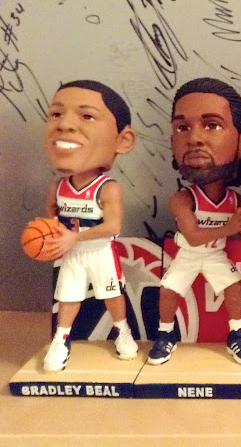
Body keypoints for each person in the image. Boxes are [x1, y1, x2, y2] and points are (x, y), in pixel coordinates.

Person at [147, 77, 241, 366]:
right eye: (182, 128)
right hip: (189, 254)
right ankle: (165, 335)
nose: (194, 139)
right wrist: (231, 228)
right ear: (172, 143)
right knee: (168, 290)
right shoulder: (183, 199)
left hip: (215, 255)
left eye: (212, 125)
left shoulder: (236, 201)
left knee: (234, 286)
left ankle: (237, 335)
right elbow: (192, 236)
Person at [42, 80, 138, 372]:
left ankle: (122, 331)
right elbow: (51, 214)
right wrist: (46, 235)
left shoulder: (107, 188)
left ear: (123, 140)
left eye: (86, 115)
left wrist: (74, 237)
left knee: (111, 294)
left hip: (99, 251)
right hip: (71, 252)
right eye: (56, 114)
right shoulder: (59, 187)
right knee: (67, 297)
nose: (65, 124)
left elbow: (113, 227)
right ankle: (61, 339)